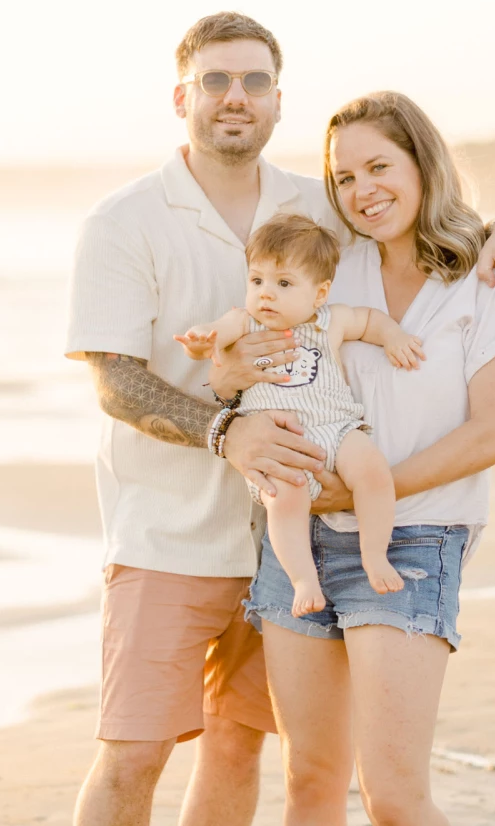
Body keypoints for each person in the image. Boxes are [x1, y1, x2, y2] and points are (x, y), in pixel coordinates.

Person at [59, 13, 495, 826]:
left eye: (254, 81)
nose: (234, 96)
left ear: (276, 100)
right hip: (176, 531)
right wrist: (222, 426)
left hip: (301, 538)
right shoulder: (132, 223)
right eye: (214, 80)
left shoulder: (314, 213)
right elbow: (117, 377)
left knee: (260, 753)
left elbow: (427, 229)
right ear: (182, 96)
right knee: (145, 751)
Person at [246, 91, 495, 826]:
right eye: (345, 176)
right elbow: (248, 355)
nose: (364, 189)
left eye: (381, 166)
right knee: (307, 776)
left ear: (422, 163)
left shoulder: (488, 277)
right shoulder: (333, 273)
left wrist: (371, 490)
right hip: (299, 536)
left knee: (393, 792)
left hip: (416, 537)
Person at [176, 211, 425, 613]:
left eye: (284, 283)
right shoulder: (245, 322)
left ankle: (374, 554)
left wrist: (393, 336)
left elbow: (371, 321)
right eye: (257, 281)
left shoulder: (332, 320)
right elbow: (215, 334)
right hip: (280, 444)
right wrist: (201, 342)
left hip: (337, 428)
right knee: (284, 499)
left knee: (373, 472)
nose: (266, 294)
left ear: (319, 294)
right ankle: (303, 579)